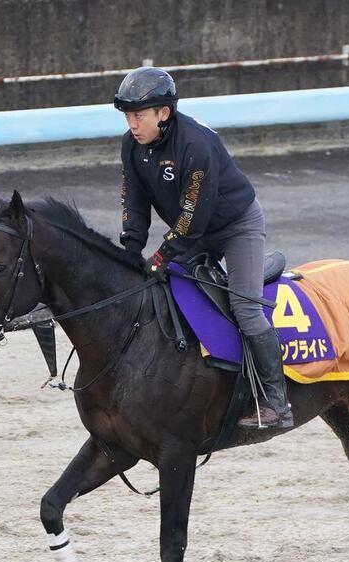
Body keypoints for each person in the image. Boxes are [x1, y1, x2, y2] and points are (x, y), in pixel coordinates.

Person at [114, 67, 293, 430]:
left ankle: (277, 402)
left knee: (244, 307)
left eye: (139, 115)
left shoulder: (196, 144)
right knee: (168, 289)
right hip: (193, 230)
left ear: (163, 113)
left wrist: (161, 256)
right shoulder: (131, 145)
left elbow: (191, 218)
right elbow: (133, 202)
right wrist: (130, 251)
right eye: (128, 116)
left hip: (234, 227)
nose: (132, 124)